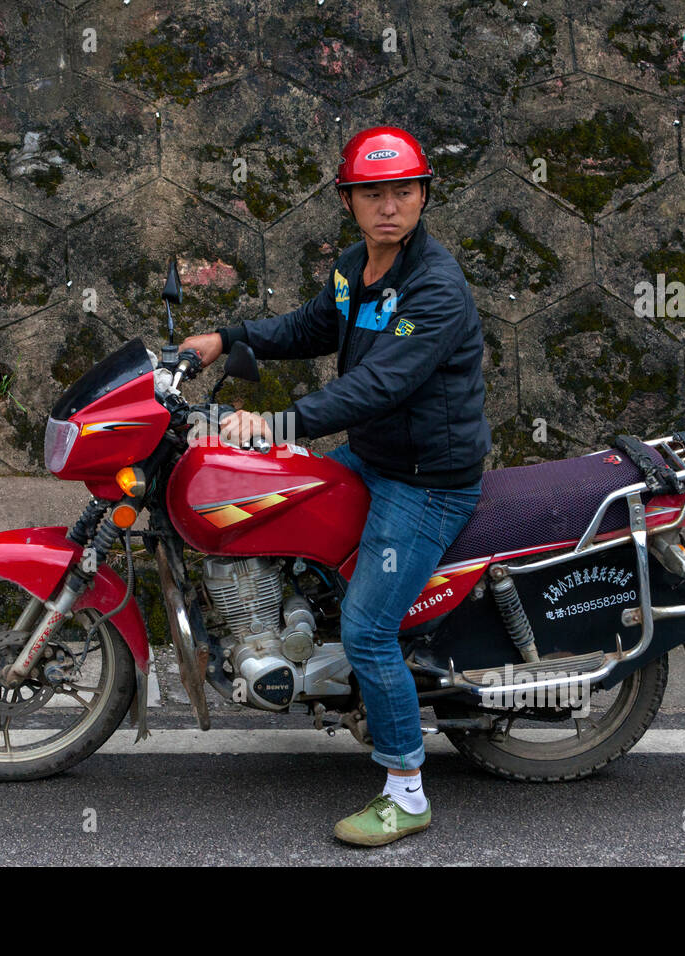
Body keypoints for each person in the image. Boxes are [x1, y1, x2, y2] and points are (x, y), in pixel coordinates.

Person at [180, 126, 492, 846]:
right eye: (373, 193)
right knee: (277, 515)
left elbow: (381, 384)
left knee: (370, 628)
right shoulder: (357, 268)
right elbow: (311, 325)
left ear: (423, 196)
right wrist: (225, 338)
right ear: (349, 201)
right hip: (373, 457)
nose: (390, 206)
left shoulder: (436, 287)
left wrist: (280, 423)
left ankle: (407, 791)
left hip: (426, 482)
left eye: (404, 191)